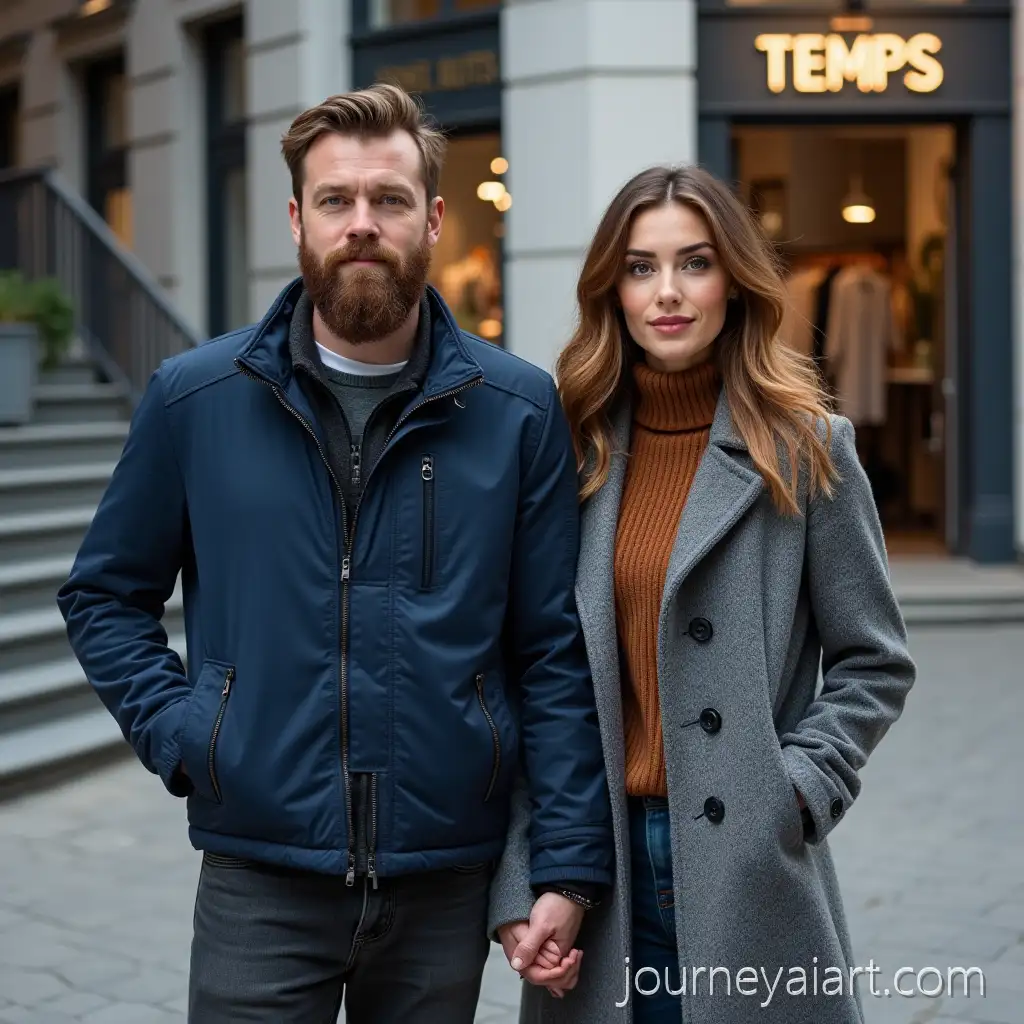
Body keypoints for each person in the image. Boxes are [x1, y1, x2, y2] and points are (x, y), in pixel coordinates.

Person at [56, 83, 613, 1023]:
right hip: (260, 881)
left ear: (433, 218)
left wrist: (565, 864)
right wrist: (188, 735)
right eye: (336, 201)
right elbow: (105, 596)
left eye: (389, 200)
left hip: (443, 879)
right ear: (296, 220)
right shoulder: (196, 400)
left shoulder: (518, 412)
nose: (363, 224)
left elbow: (551, 651)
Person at [488, 165, 916, 1023]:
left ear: (735, 281)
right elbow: (529, 673)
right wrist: (520, 877)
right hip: (596, 862)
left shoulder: (805, 446)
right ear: (612, 288)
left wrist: (794, 790)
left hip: (749, 863)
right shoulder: (566, 451)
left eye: (695, 262)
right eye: (642, 267)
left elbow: (875, 660)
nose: (669, 292)